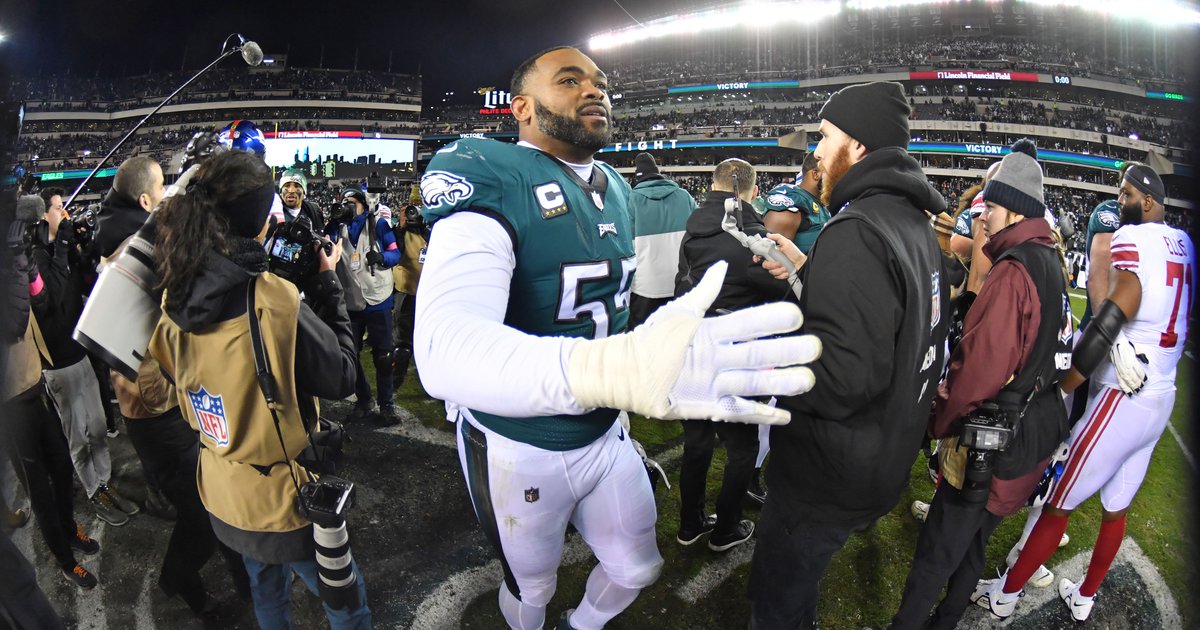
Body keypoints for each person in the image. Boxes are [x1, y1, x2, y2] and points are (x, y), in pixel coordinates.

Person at [415, 46, 819, 630]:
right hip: (518, 440)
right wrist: (613, 370)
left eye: (601, 82)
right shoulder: (491, 174)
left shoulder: (615, 186)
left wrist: (660, 343)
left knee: (636, 566)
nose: (595, 90)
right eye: (570, 79)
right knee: (532, 587)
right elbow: (442, 349)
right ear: (521, 108)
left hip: (605, 426)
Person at [746, 81, 950, 629]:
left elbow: (841, 378)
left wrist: (759, 360)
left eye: (825, 135)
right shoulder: (913, 225)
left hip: (827, 473)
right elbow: (891, 323)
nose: (815, 149)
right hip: (881, 456)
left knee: (778, 601)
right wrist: (809, 270)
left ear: (857, 147)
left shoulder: (856, 228)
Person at [148, 150, 369, 628]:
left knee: (267, 593)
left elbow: (177, 371)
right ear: (259, 222)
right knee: (349, 605)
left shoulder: (173, 290)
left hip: (224, 486)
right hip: (284, 499)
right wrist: (328, 284)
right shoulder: (274, 299)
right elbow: (343, 375)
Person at [974, 164, 1194, 623]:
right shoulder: (1184, 244)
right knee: (1116, 509)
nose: (1120, 200)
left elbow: (1110, 318)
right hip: (1163, 393)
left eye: (1127, 192)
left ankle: (1005, 594)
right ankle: (1085, 596)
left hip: (1124, 395)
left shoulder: (1137, 239)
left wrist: (1065, 388)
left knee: (1058, 502)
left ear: (1149, 201)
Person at [890, 149, 1074, 630]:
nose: (983, 217)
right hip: (1032, 434)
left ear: (1012, 208)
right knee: (973, 545)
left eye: (990, 207)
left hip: (992, 440)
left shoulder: (1014, 271)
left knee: (939, 550)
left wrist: (937, 421)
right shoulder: (1049, 259)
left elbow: (978, 371)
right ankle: (947, 620)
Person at [674, 158, 790, 552]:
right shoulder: (756, 238)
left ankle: (689, 524)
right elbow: (782, 294)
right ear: (753, 192)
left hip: (693, 347)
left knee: (698, 442)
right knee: (741, 448)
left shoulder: (693, 229)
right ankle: (725, 528)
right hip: (738, 352)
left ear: (714, 184)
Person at [3, 195, 101, 590]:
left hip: (32, 383)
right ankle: (62, 557)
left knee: (61, 465)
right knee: (38, 484)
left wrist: (24, 264)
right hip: (10, 401)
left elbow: (42, 300)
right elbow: (12, 323)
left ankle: (68, 527)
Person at [31, 184, 140, 527]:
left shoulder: (62, 247)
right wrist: (63, 245)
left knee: (97, 425)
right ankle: (94, 492)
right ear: (42, 215)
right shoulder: (34, 257)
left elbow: (86, 282)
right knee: (78, 436)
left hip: (81, 352)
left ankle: (105, 483)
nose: (63, 214)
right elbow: (50, 300)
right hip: (58, 364)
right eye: (58, 208)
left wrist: (82, 245)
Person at [94, 156, 177, 520]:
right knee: (159, 438)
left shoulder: (114, 230)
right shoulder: (137, 245)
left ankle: (160, 488)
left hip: (129, 361)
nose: (166, 193)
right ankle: (161, 496)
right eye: (161, 186)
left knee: (148, 433)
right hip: (145, 366)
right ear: (145, 202)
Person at [331, 186, 400, 422]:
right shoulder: (338, 228)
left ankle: (387, 404)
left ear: (363, 204)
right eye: (345, 202)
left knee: (383, 355)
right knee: (352, 354)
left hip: (377, 297)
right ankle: (363, 399)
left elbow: (395, 252)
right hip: (351, 299)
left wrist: (382, 258)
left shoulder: (378, 225)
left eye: (353, 202)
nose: (349, 206)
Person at [627, 151, 696, 327]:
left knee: (643, 341)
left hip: (645, 287)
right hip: (681, 283)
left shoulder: (630, 200)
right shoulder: (684, 196)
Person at [761, 152, 829, 255]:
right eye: (833, 173)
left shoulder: (819, 202)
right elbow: (769, 261)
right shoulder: (790, 207)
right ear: (816, 174)